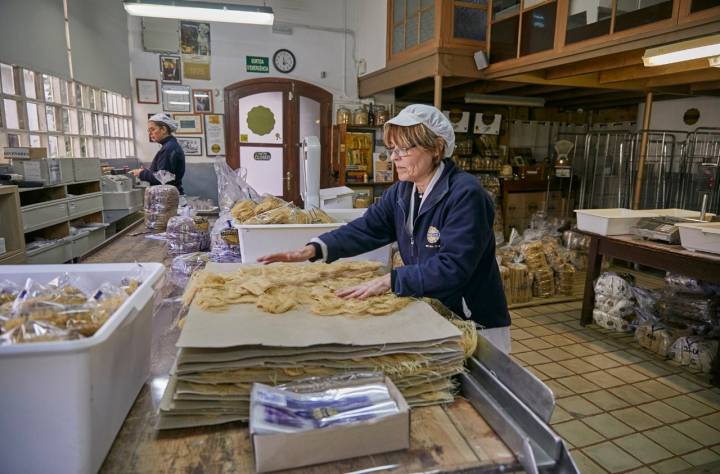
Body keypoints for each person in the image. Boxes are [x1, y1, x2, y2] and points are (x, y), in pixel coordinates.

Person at [258, 104, 511, 353]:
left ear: (436, 148)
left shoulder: (465, 195)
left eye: (404, 149)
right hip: (436, 312)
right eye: (392, 149)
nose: (394, 157)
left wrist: (391, 281)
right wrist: (314, 249)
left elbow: (454, 267)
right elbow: (367, 228)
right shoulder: (403, 191)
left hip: (473, 319)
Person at [130, 113, 186, 194]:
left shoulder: (168, 148)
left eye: (152, 129)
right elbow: (164, 173)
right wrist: (149, 171)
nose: (150, 134)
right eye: (149, 131)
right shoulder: (170, 146)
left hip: (168, 198)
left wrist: (141, 173)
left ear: (163, 129)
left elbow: (163, 178)